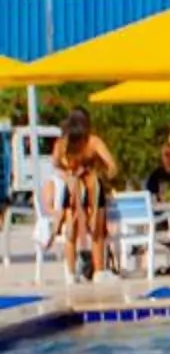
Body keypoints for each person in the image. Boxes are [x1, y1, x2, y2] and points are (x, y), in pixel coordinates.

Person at [55, 109, 118, 280]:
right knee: (97, 232)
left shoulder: (62, 144)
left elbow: (55, 163)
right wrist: (104, 173)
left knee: (71, 232)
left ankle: (70, 273)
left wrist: (68, 171)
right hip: (92, 185)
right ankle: (98, 272)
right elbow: (112, 165)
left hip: (72, 186)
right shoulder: (93, 142)